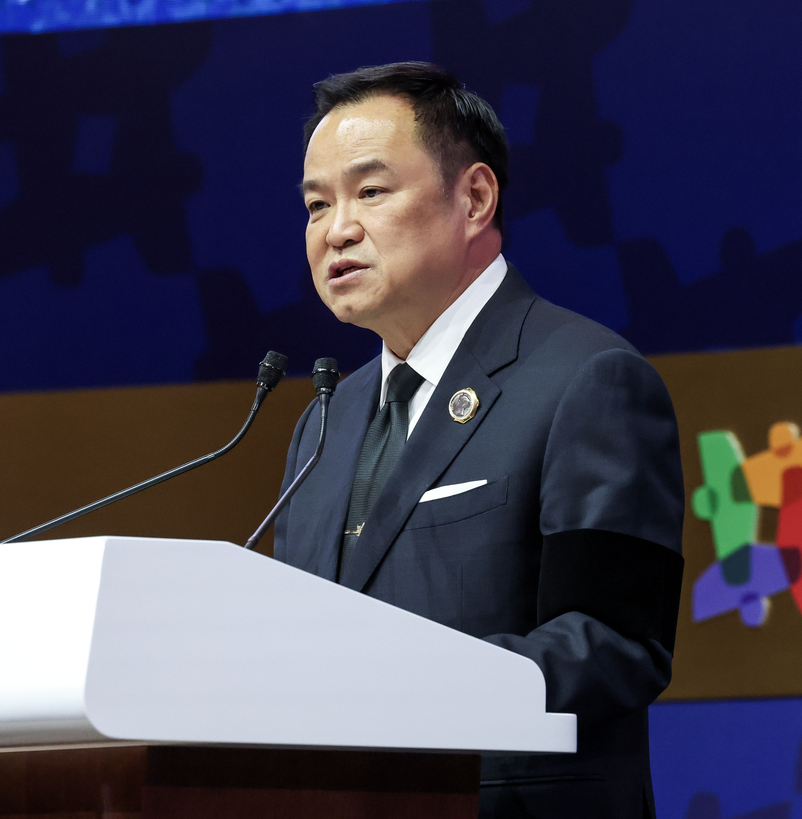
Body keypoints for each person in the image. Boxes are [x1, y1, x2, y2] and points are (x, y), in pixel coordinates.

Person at [274, 61, 685, 819]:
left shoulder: (589, 378)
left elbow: (615, 642)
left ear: (474, 197)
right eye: (314, 205)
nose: (338, 229)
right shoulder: (322, 421)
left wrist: (414, 692)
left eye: (370, 191)